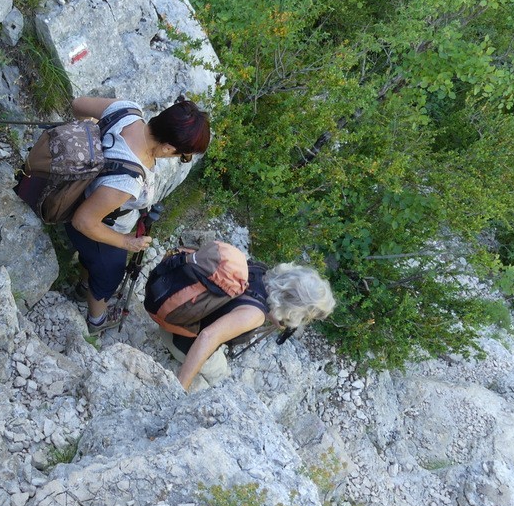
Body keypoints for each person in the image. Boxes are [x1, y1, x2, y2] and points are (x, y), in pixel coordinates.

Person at [67, 96, 210, 335]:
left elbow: (77, 104)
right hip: (101, 227)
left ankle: (82, 288)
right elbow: (83, 222)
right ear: (167, 148)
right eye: (183, 156)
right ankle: (96, 321)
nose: (181, 160)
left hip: (75, 194)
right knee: (107, 276)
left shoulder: (126, 109)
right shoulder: (127, 180)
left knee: (92, 262)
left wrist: (84, 143)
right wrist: (127, 242)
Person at [158, 248, 335, 391]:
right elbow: (207, 337)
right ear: (295, 309)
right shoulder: (254, 315)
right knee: (220, 375)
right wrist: (180, 388)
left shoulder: (258, 271)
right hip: (176, 337)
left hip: (171, 306)